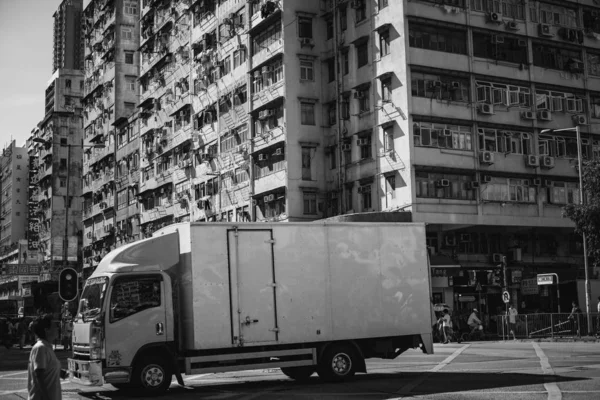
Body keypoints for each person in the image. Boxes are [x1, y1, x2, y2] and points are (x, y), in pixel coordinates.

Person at [28, 314, 67, 400]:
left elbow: (46, 368)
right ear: (47, 330)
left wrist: (61, 373)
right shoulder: (41, 348)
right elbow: (39, 375)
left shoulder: (47, 347)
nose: (57, 328)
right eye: (54, 326)